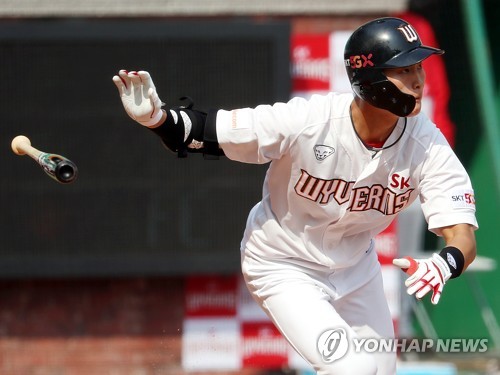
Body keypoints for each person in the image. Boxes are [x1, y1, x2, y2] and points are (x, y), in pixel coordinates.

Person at [113, 17, 477, 375]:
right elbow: (209, 131)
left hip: (356, 269)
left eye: (418, 68)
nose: (417, 81)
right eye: (403, 70)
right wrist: (158, 118)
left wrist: (445, 263)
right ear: (368, 77)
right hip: (283, 264)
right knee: (353, 368)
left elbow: (462, 235)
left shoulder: (425, 142)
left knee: (380, 370)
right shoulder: (309, 119)